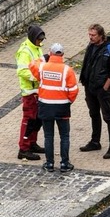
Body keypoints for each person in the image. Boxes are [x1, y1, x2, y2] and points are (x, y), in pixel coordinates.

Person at [31, 43, 80, 172]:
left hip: (45, 106)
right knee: (64, 136)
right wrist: (68, 101)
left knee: (48, 136)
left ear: (50, 53)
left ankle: (49, 163)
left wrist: (43, 57)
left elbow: (31, 64)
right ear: (62, 55)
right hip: (62, 107)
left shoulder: (42, 67)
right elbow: (74, 90)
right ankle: (64, 163)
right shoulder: (67, 70)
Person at [78, 24, 110, 159]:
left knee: (108, 117)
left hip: (102, 89)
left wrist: (105, 88)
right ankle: (95, 141)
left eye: (93, 35)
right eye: (89, 35)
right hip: (90, 87)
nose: (90, 37)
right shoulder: (90, 46)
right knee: (94, 114)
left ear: (101, 35)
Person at [15, 24, 46, 161]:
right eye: (39, 40)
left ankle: (32, 143)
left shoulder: (36, 48)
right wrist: (37, 77)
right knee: (29, 120)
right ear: (34, 38)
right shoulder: (25, 51)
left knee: (37, 119)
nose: (40, 42)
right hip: (30, 92)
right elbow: (22, 71)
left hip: (37, 91)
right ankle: (24, 148)